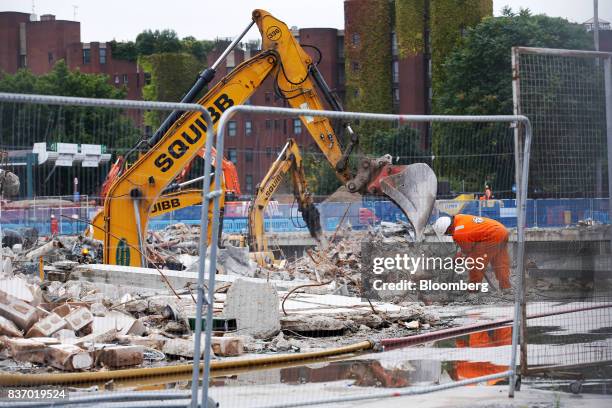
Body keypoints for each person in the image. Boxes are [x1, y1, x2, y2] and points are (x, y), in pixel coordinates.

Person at [432, 214, 511, 290]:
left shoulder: (459, 233)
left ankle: (473, 291)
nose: (449, 235)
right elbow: (473, 236)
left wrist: (458, 258)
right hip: (501, 230)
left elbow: (467, 250)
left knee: (475, 262)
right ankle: (506, 287)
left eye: (447, 234)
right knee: (499, 262)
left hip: (492, 235)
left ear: (448, 229)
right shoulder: (459, 218)